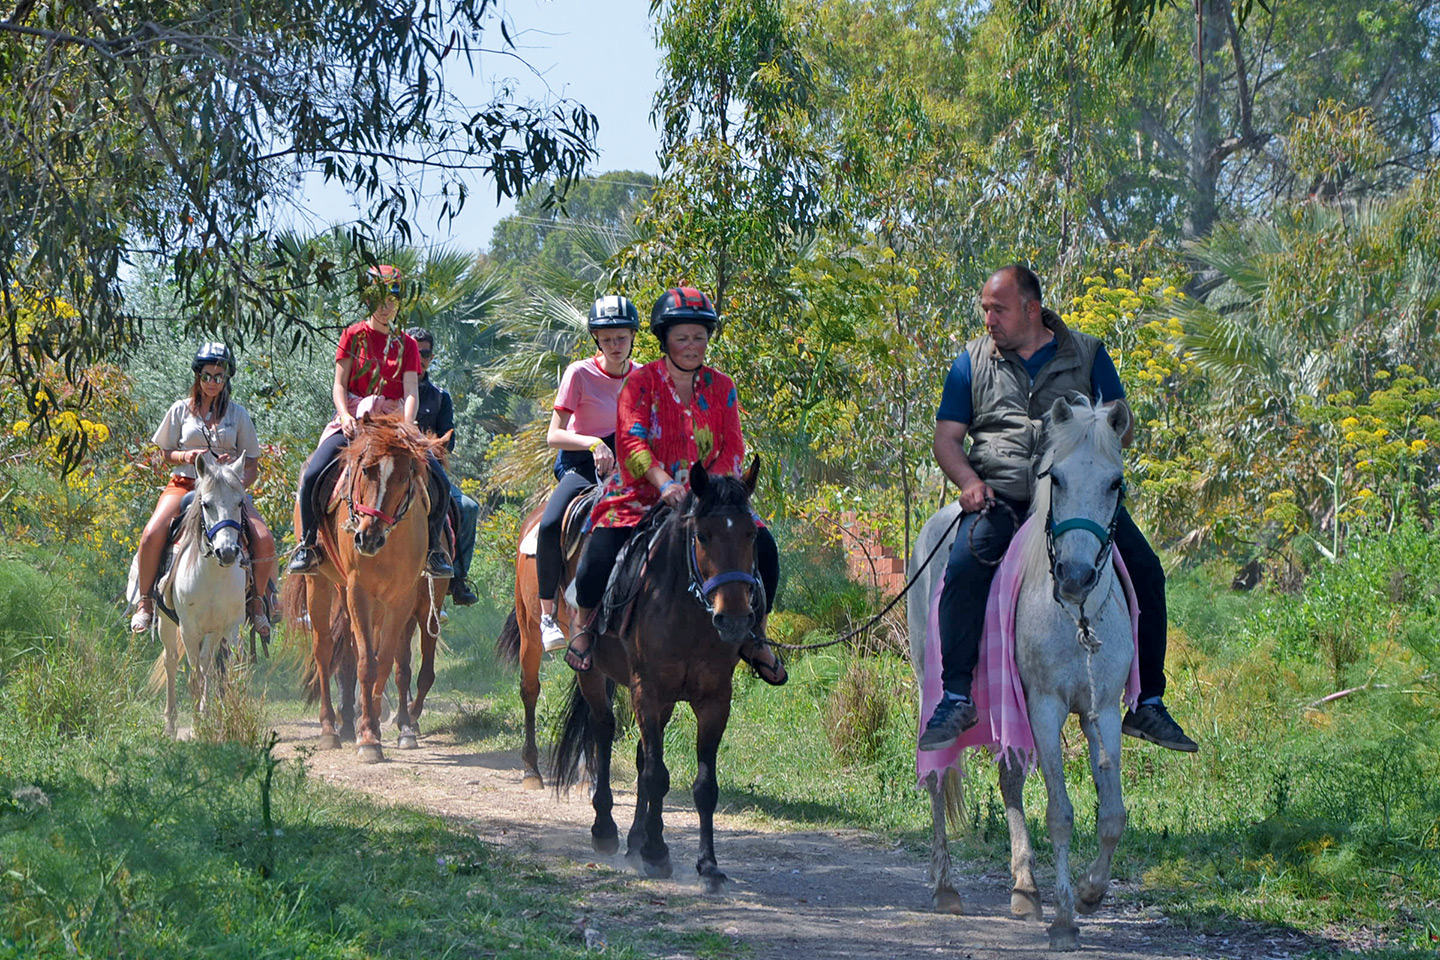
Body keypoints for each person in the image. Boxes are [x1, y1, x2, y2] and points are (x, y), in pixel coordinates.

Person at [918, 264, 1197, 753]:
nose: (989, 320)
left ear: (1031, 308)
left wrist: (1107, 425)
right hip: (1001, 497)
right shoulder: (971, 362)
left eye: (998, 310)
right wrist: (968, 482)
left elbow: (1122, 429)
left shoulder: (1087, 353)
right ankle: (956, 695)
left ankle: (1148, 703)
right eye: (985, 310)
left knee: (1148, 571)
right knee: (962, 568)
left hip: (1075, 498)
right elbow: (947, 438)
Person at [562, 287, 786, 685]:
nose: (691, 346)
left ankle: (755, 635)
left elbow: (733, 444)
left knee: (765, 548)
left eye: (699, 337)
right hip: (642, 496)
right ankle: (584, 627)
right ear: (665, 339)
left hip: (710, 497)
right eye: (682, 338)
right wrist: (664, 482)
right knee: (598, 555)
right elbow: (631, 441)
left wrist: (711, 488)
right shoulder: (640, 383)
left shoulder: (723, 386)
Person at [287, 265, 453, 578]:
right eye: (380, 297)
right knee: (312, 474)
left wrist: (406, 424)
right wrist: (346, 416)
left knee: (439, 481)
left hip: (393, 423)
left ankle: (433, 552)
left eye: (393, 298)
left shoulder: (407, 344)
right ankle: (308, 545)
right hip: (355, 419)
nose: (386, 304)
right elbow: (339, 384)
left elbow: (411, 391)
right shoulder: (352, 335)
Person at [131, 342, 278, 638]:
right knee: (152, 533)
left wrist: (235, 483)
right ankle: (145, 600)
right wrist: (184, 457)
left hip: (227, 491)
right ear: (198, 376)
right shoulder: (179, 411)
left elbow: (252, 464)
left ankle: (259, 604)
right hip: (185, 484)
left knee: (264, 539)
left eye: (219, 376)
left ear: (226, 379)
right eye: (208, 375)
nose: (213, 382)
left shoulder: (239, 415)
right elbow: (165, 452)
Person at [534, 295, 640, 652]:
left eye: (621, 337)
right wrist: (594, 444)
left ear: (632, 337)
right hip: (582, 464)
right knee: (549, 524)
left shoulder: (643, 376)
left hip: (630, 469)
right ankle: (548, 613)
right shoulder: (579, 372)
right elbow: (554, 434)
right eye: (607, 338)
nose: (615, 345)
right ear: (596, 338)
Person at [406, 326, 481, 606]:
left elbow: (448, 442)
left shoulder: (440, 397)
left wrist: (425, 443)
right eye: (413, 351)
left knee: (469, 508)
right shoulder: (390, 389)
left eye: (424, 353)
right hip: (395, 463)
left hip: (427, 463)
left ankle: (457, 578)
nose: (419, 358)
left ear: (432, 356)